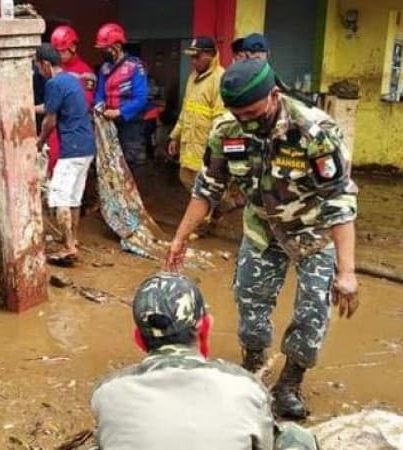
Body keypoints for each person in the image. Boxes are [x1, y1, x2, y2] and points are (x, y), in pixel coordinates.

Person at [164, 59, 360, 419]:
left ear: (274, 94)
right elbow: (207, 188)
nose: (247, 122)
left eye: (253, 112)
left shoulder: (314, 132)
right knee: (250, 303)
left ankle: (289, 383)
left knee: (312, 311)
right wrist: (180, 237)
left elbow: (339, 201)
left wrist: (346, 273)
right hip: (260, 229)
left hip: (312, 234)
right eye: (238, 114)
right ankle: (254, 368)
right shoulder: (227, 130)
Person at [91, 272, 318, 450]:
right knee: (295, 435)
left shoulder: (107, 391)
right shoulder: (244, 385)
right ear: (203, 326)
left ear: (139, 339)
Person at [35, 44, 95, 265]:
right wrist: (29, 107)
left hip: (72, 149)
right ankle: (73, 240)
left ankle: (68, 247)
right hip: (86, 147)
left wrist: (39, 142)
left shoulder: (53, 83)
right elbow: (52, 106)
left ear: (46, 64)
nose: (38, 71)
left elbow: (50, 120)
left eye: (38, 66)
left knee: (59, 197)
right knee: (73, 199)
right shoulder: (70, 79)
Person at [168, 37, 225, 192]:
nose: (193, 61)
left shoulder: (220, 79)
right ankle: (206, 210)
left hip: (206, 148)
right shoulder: (193, 77)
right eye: (191, 57)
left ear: (210, 55)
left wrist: (215, 150)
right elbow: (185, 110)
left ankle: (216, 211)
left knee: (208, 187)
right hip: (189, 145)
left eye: (196, 57)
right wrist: (175, 136)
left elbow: (221, 120)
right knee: (185, 178)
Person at [94, 22, 149, 171]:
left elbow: (141, 98)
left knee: (130, 162)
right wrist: (99, 106)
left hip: (130, 123)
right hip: (109, 123)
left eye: (105, 49)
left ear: (117, 47)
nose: (103, 52)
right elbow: (100, 92)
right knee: (110, 162)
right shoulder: (105, 68)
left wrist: (119, 112)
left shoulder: (135, 66)